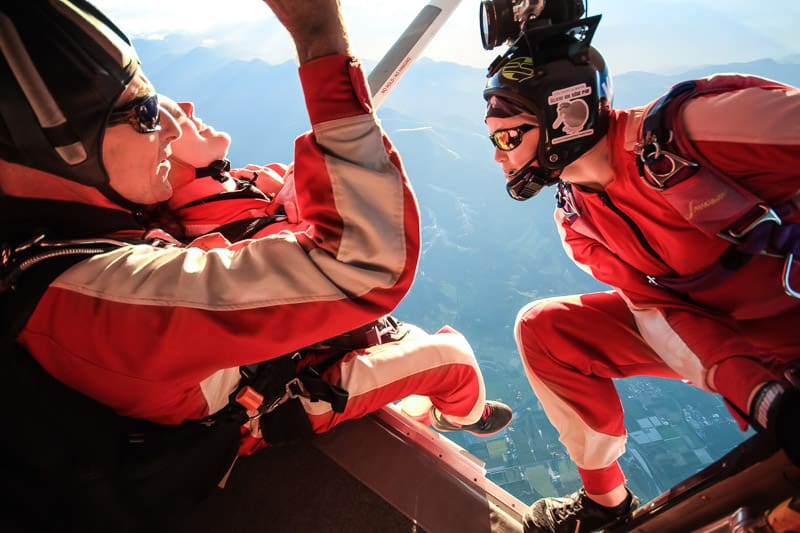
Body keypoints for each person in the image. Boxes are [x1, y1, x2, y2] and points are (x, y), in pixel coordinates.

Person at [0, 0, 511, 529]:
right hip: (268, 404)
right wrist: (319, 36)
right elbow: (367, 263)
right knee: (450, 357)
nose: (170, 130)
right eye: (145, 113)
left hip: (244, 366)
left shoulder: (61, 243)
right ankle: (460, 415)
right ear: (61, 147)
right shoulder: (99, 303)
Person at [480, 14, 800, 533]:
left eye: (507, 136)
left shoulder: (698, 129)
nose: (498, 157)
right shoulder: (576, 222)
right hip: (734, 338)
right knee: (545, 330)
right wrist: (761, 395)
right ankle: (604, 503)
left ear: (566, 116)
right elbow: (655, 312)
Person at [151, 95, 512, 454]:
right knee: (454, 360)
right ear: (163, 160)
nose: (187, 108)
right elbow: (334, 249)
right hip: (278, 397)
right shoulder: (205, 237)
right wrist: (297, 201)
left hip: (313, 349)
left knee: (416, 342)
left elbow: (303, 197)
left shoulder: (238, 187)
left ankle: (422, 411)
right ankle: (466, 417)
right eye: (160, 115)